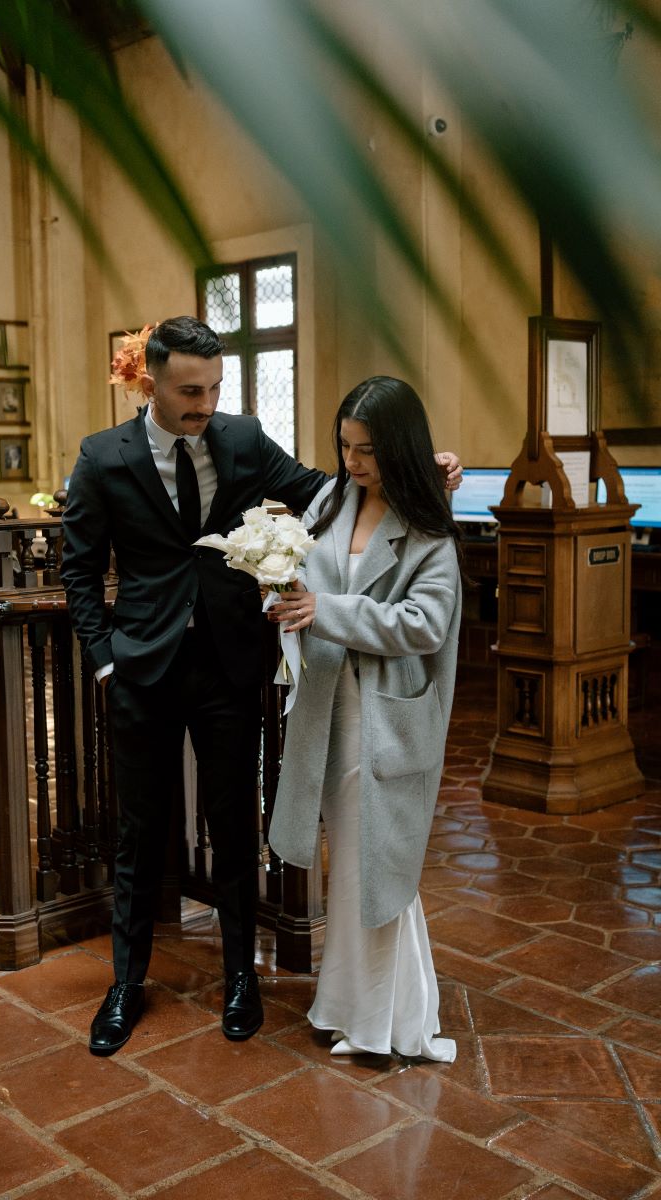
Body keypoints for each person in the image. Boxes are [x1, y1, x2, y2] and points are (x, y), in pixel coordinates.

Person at [60, 317, 462, 1058]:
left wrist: (418, 469)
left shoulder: (242, 439)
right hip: (141, 672)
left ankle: (241, 976)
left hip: (229, 668)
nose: (205, 403)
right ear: (150, 380)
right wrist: (106, 658)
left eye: (215, 387)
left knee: (234, 826)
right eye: (189, 390)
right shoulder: (102, 458)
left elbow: (328, 492)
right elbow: (79, 570)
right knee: (139, 833)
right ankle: (125, 984)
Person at [268, 376, 461, 1062]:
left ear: (401, 449)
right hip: (329, 711)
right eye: (346, 446)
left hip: (386, 716)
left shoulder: (429, 526)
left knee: (381, 860)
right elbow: (308, 580)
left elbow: (427, 623)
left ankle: (394, 1023)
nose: (353, 462)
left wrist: (328, 612)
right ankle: (350, 1007)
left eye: (369, 451)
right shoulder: (330, 501)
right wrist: (285, 599)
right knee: (350, 861)